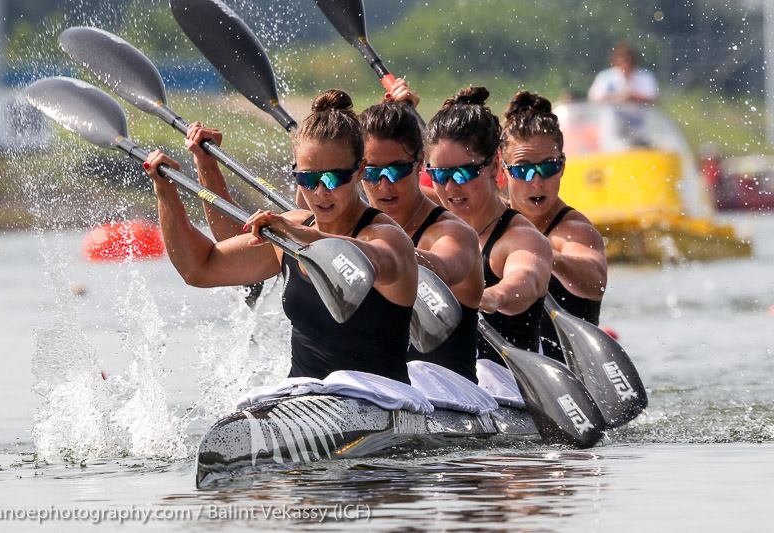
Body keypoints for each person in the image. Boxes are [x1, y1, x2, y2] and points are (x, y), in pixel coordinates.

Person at [143, 89, 419, 383]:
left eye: (333, 178)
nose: (320, 192)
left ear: (360, 170)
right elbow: (198, 268)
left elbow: (370, 261)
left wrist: (300, 233)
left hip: (380, 398)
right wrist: (165, 193)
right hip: (302, 397)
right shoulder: (289, 232)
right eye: (308, 179)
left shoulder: (387, 237)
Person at [359, 86, 484, 383]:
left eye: (396, 170)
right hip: (382, 387)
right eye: (372, 173)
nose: (384, 185)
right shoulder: (353, 223)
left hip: (450, 393)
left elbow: (443, 266)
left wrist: (353, 249)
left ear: (419, 165)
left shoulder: (451, 232)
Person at [424, 86, 553, 363]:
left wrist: (494, 296)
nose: (449, 187)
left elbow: (525, 280)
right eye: (439, 174)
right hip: (442, 381)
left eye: (464, 173)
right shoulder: (424, 218)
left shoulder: (521, 239)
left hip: (504, 385)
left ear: (495, 165)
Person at [501, 91, 608, 362]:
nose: (537, 182)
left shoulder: (574, 230)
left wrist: (546, 252)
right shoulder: (489, 215)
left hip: (566, 378)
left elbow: (594, 283)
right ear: (502, 169)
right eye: (523, 169)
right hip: (505, 374)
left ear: (562, 166)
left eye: (547, 168)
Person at [587, 42, 658, 104]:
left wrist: (631, 97)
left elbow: (652, 98)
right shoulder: (605, 76)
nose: (626, 64)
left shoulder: (644, 76)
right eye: (623, 60)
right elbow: (594, 98)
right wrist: (621, 97)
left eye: (628, 61)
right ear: (616, 61)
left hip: (639, 118)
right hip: (610, 118)